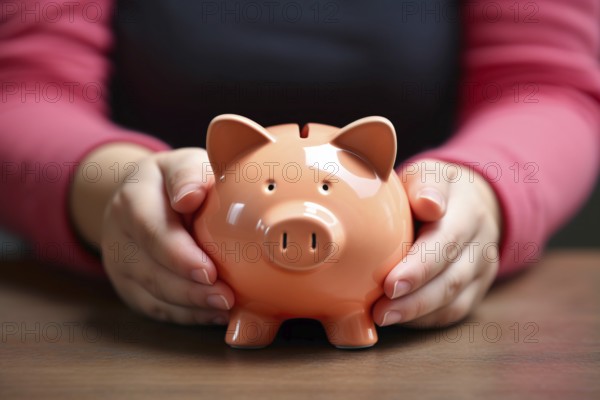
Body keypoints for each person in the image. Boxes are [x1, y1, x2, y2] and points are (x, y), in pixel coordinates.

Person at [1, 0, 599, 329]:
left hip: (406, 259)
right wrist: (111, 188)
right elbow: (25, 91)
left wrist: (482, 192)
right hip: (137, 292)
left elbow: (546, 85)